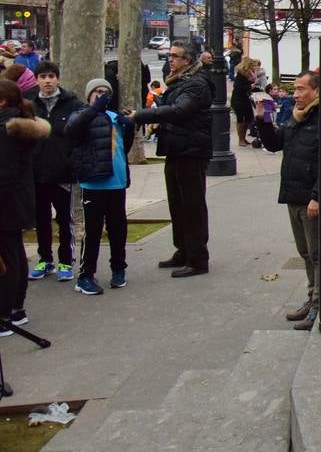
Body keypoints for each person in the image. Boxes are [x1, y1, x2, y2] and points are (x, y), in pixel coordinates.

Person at [128, 40, 213, 277]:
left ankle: (197, 258)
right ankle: (183, 250)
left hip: (191, 151)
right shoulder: (180, 81)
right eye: (170, 56)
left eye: (175, 56)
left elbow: (179, 111)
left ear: (187, 60)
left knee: (192, 205)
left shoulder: (196, 84)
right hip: (177, 148)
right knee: (177, 204)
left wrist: (140, 116)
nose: (170, 60)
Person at [255, 70, 321, 330]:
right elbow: (274, 145)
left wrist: (316, 197)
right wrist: (261, 120)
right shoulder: (295, 118)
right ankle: (311, 298)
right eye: (295, 89)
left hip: (310, 200)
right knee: (305, 252)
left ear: (316, 91)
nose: (296, 95)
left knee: (317, 255)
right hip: (293, 196)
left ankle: (318, 304)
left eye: (301, 89)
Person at [66, 79, 134, 295]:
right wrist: (94, 109)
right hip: (93, 183)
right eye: (96, 92)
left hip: (117, 182)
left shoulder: (116, 118)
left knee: (118, 228)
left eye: (105, 92)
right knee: (93, 231)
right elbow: (71, 131)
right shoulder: (81, 115)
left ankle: (118, 269)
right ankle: (85, 275)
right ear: (89, 96)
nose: (101, 95)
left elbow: (127, 144)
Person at [0, 78, 50, 334]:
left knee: (9, 258)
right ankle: (16, 309)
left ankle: (5, 313)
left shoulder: (7, 129)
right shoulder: (16, 126)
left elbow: (5, 173)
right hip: (17, 200)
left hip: (7, 202)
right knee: (15, 252)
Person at [25, 61, 80, 282]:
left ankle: (66, 261)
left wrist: (71, 164)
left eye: (51, 76)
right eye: (43, 76)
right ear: (37, 79)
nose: (47, 81)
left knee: (65, 220)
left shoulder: (73, 104)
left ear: (57, 78)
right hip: (37, 174)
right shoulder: (29, 105)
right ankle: (45, 260)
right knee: (41, 219)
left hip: (62, 174)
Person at [231, 61, 255, 147]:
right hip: (239, 100)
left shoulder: (247, 75)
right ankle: (241, 140)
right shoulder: (240, 75)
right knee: (241, 120)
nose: (254, 67)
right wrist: (250, 86)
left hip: (245, 99)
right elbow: (238, 87)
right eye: (253, 65)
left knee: (249, 119)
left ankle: (243, 138)